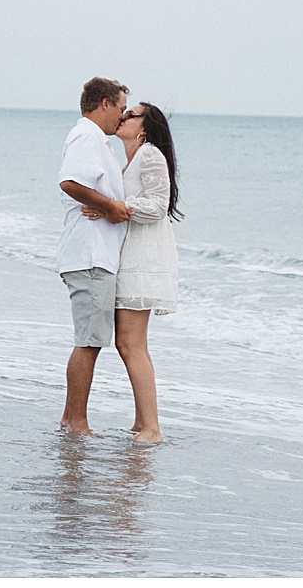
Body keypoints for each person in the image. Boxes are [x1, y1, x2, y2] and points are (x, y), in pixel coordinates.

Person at [83, 102, 181, 443]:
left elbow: (157, 205)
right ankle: (142, 422)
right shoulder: (131, 158)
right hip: (133, 255)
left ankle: (152, 428)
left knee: (130, 344)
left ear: (144, 127)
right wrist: (108, 208)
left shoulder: (150, 155)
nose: (123, 117)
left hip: (144, 258)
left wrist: (116, 208)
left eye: (131, 114)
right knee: (134, 343)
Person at [56, 77, 130, 436]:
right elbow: (70, 182)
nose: (122, 115)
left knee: (90, 340)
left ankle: (71, 419)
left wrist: (106, 206)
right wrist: (111, 206)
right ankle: (77, 423)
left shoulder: (95, 139)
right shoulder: (87, 136)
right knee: (88, 341)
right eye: (120, 108)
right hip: (89, 255)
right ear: (104, 103)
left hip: (94, 255)